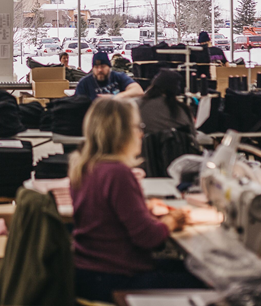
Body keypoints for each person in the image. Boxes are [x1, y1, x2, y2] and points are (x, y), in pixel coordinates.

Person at [70, 98, 197, 302]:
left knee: (192, 270)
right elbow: (148, 237)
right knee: (210, 280)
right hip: (116, 278)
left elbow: (107, 216)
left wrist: (143, 210)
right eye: (137, 127)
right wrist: (173, 219)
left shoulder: (84, 167)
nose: (141, 134)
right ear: (122, 133)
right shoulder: (117, 174)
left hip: (88, 274)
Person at [138, 70, 194, 136]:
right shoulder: (181, 110)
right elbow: (192, 135)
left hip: (143, 145)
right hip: (178, 145)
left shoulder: (137, 105)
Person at [75, 52, 143, 101]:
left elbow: (138, 91)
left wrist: (116, 97)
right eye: (96, 67)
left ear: (109, 67)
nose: (99, 70)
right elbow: (76, 104)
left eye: (103, 66)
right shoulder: (84, 83)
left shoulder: (118, 77)